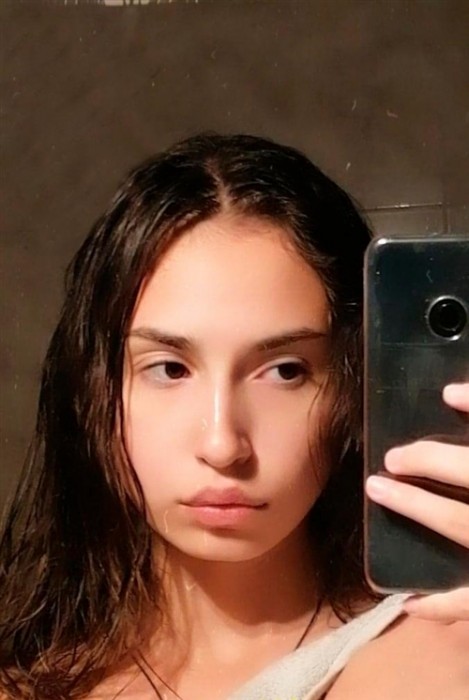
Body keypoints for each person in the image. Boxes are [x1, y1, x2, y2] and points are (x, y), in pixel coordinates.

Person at [0, 133, 467, 700]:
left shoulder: (434, 658)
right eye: (170, 369)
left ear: (358, 384)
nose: (223, 445)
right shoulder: (26, 685)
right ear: (92, 388)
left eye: (285, 371)